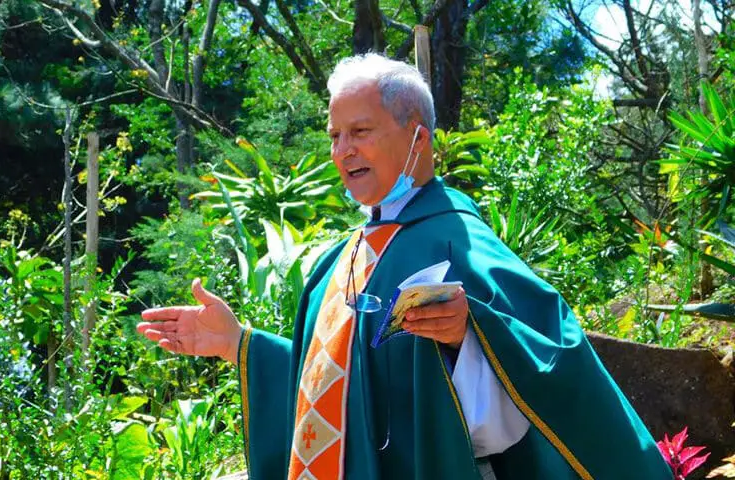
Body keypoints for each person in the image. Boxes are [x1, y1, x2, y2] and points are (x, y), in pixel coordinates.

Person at [137, 54, 671, 479]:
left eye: (361, 131)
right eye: (335, 136)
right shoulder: (334, 263)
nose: (343, 151)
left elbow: (555, 355)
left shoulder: (456, 239)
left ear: (418, 136)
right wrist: (238, 344)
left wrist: (473, 331)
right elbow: (332, 392)